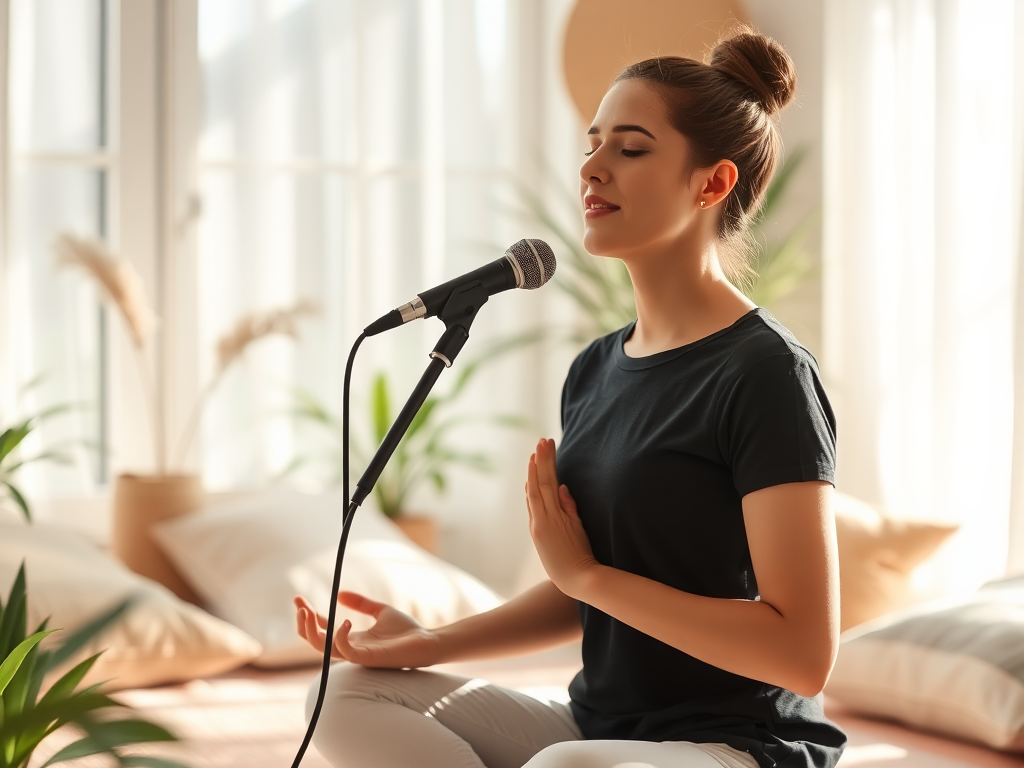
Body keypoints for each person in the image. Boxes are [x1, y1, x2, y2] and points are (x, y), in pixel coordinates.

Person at [293, 25, 846, 768]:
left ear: (711, 184)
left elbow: (802, 654)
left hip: (736, 744)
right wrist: (427, 644)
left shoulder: (766, 374)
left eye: (631, 147)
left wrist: (587, 576)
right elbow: (583, 588)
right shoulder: (594, 368)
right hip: (605, 733)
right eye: (592, 143)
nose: (592, 167)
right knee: (342, 692)